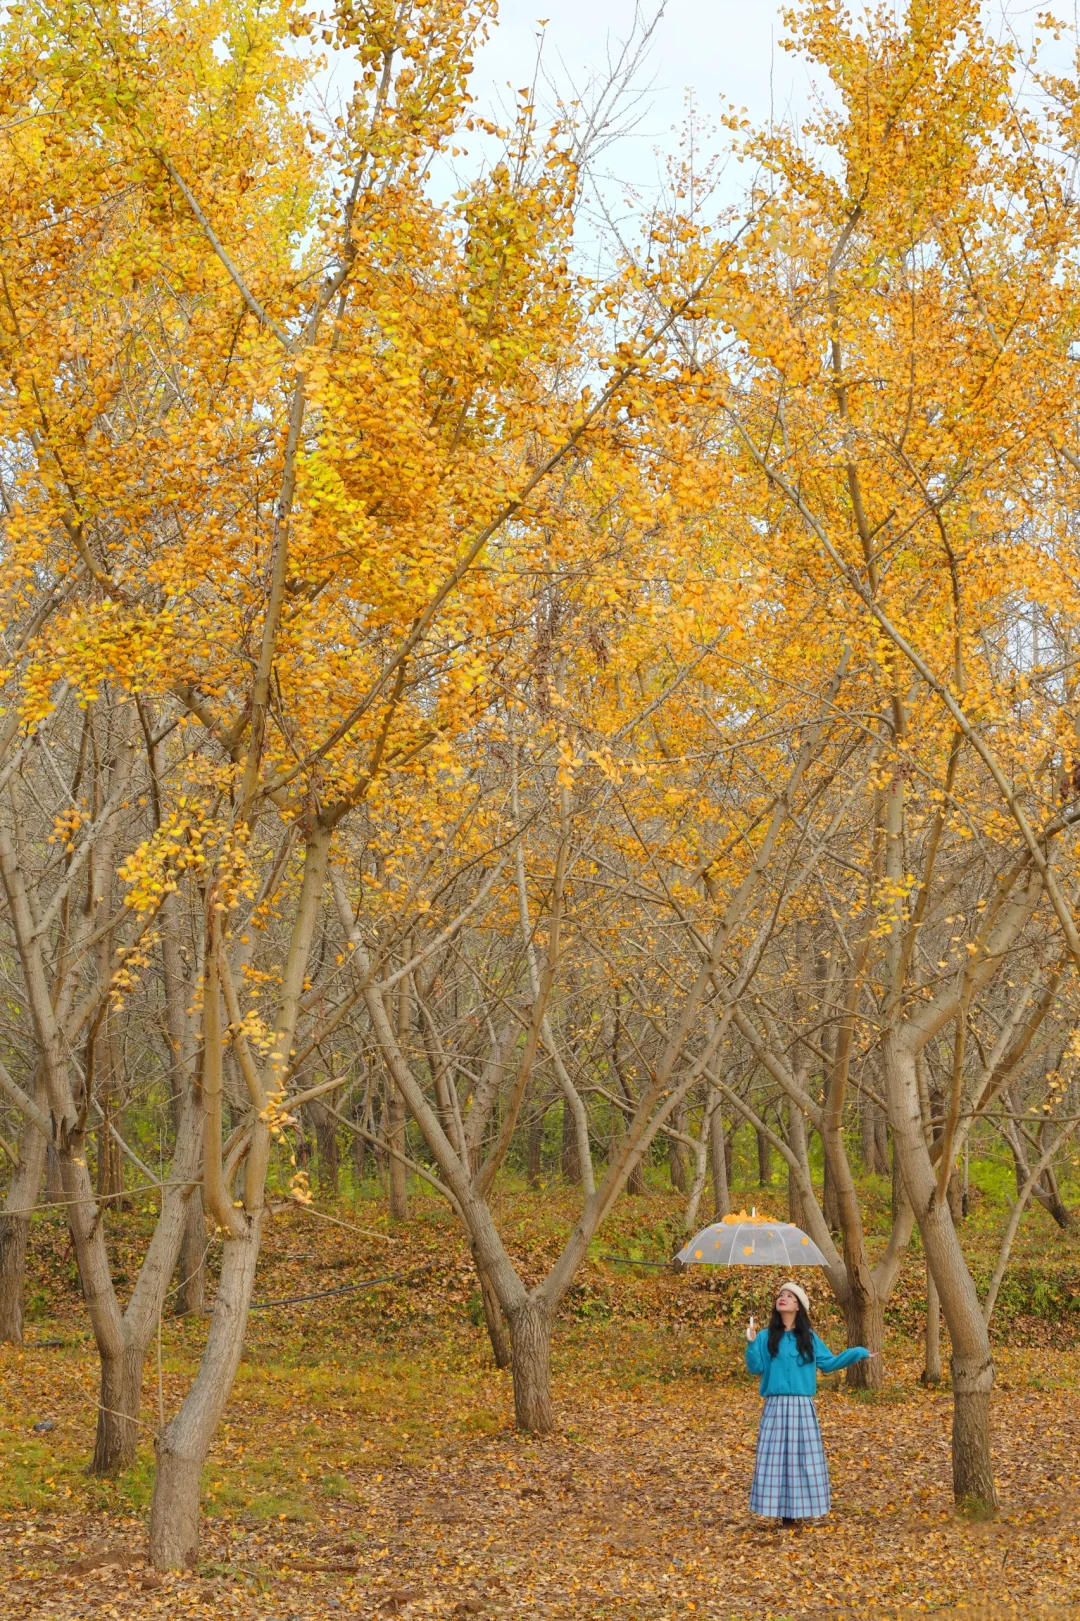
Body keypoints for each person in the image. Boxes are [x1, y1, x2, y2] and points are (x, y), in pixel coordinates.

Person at [744, 1281, 873, 1527]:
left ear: (799, 1306)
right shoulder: (764, 1336)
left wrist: (858, 1352)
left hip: (802, 1407)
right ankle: (783, 1515)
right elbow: (756, 1368)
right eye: (781, 1294)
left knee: (801, 1459)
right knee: (776, 1460)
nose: (783, 1298)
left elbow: (829, 1364)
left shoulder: (809, 1338)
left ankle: (797, 1512)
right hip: (775, 1406)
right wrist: (751, 1344)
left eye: (790, 1296)